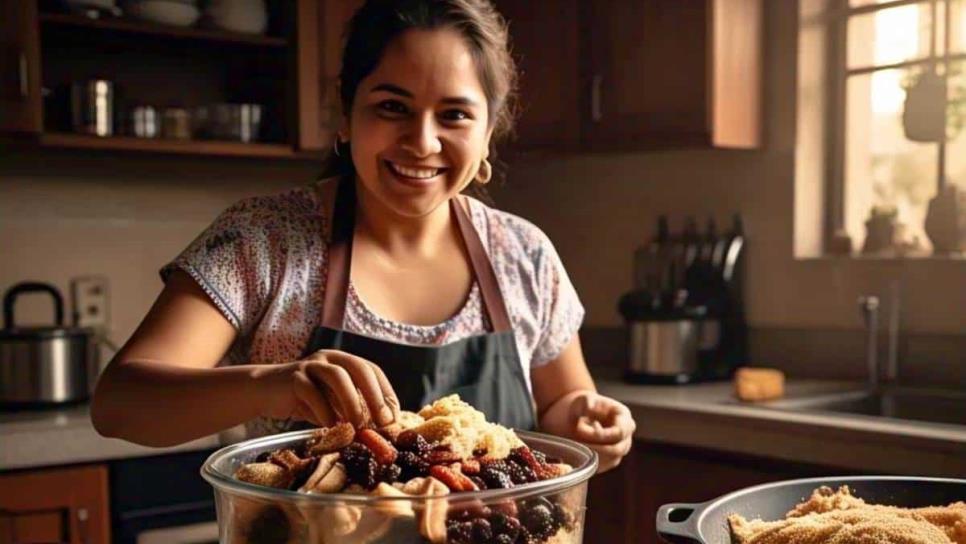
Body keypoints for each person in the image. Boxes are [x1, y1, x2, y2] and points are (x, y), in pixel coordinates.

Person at [91, 0, 635, 473]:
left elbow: (561, 403)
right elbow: (120, 405)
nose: (422, 142)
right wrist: (273, 384)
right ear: (346, 113)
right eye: (392, 107)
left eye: (454, 115)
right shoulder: (263, 242)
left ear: (487, 131)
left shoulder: (524, 255)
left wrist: (589, 421)